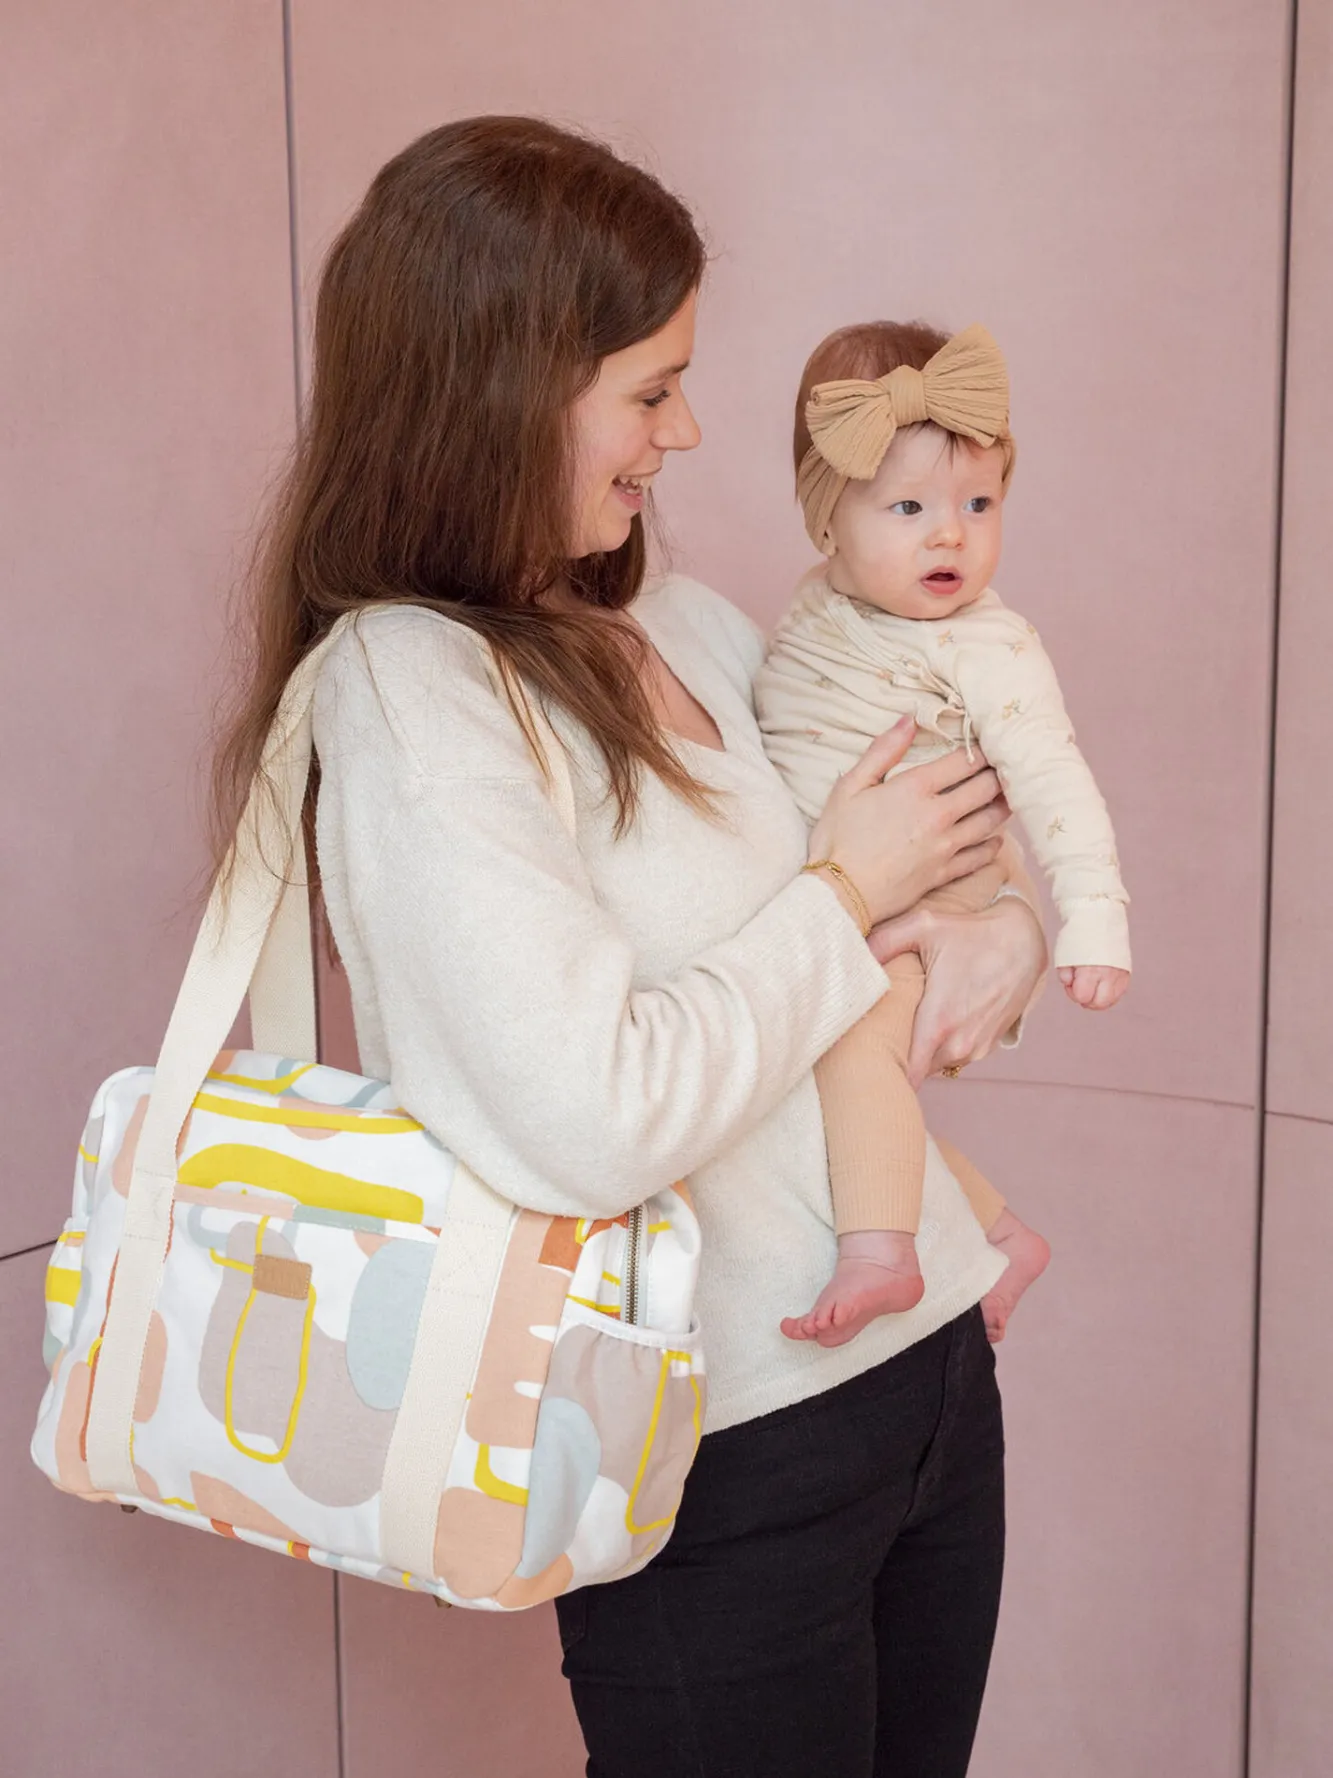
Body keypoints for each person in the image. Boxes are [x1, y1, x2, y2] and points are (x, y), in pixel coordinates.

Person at [213, 116, 1049, 1778]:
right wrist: (841, 890)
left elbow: (915, 886)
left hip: (933, 1377)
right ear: (503, 390)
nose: (685, 431)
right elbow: (591, 1118)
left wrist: (1006, 932)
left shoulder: (679, 622)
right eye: (649, 389)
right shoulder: (412, 690)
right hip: (721, 1453)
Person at [758, 319, 1129, 1348]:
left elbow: (1054, 781)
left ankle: (883, 1251)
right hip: (852, 886)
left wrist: (1092, 919)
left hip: (935, 890)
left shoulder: (985, 646)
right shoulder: (818, 606)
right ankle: (998, 1233)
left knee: (850, 1050)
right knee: (817, 1088)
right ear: (827, 524)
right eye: (909, 507)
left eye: (978, 504)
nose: (949, 537)